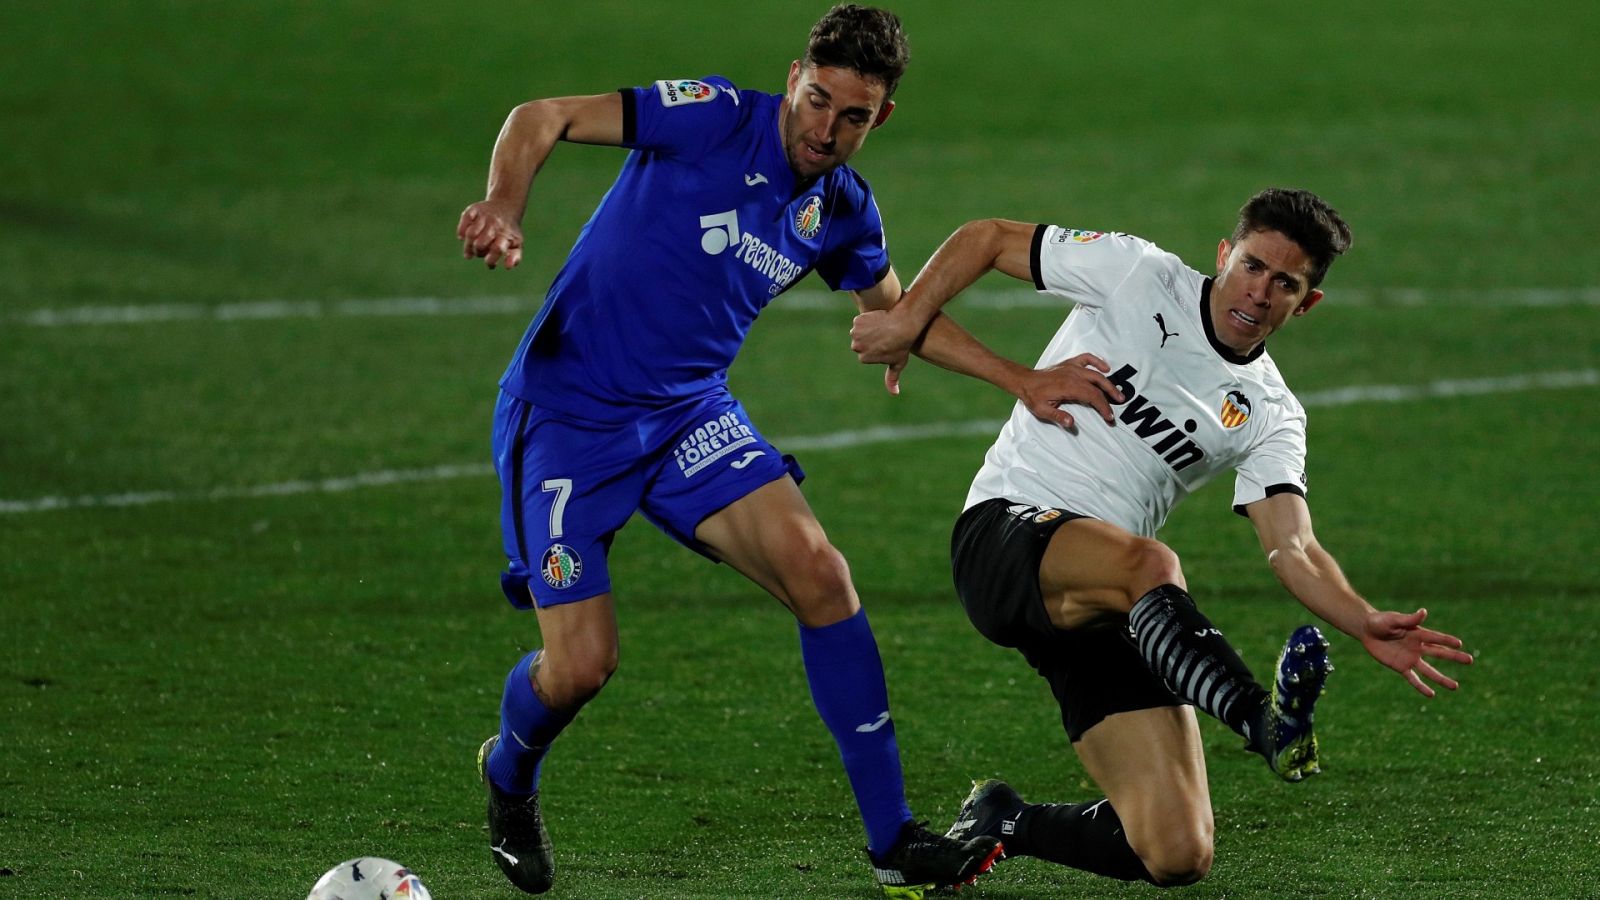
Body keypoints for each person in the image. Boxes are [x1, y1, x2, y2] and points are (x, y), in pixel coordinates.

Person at [454, 6, 1017, 896]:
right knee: (582, 666)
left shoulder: (841, 209)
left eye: (853, 117)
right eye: (817, 99)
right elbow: (541, 116)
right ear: (794, 75)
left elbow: (896, 312)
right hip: (569, 413)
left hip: (687, 416)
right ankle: (508, 775)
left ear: (883, 119)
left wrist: (1022, 380)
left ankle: (892, 843)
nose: (825, 130)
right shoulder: (711, 113)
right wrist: (503, 205)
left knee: (822, 575)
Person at [847, 189, 1475, 886]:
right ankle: (1264, 726)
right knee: (1150, 559)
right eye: (1252, 266)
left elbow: (1291, 546)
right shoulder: (1138, 272)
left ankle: (1006, 820)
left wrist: (1363, 621)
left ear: (1307, 304)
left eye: (1285, 284)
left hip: (1109, 599)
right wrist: (905, 319)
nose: (1259, 292)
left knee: (1177, 851)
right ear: (1223, 256)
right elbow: (988, 236)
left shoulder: (1271, 414)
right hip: (1005, 531)